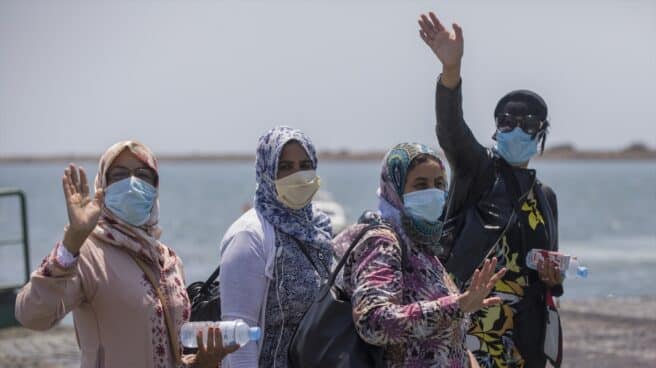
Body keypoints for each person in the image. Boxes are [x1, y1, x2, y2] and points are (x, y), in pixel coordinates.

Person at [418, 12, 563, 368]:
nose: (515, 129)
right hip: (469, 327)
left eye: (527, 123)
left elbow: (546, 276)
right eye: (506, 122)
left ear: (540, 134)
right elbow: (451, 130)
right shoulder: (479, 171)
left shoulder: (545, 198)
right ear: (496, 130)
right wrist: (451, 72)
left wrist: (553, 278)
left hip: (522, 338)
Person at [15, 140, 238, 368]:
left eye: (143, 175)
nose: (132, 183)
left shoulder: (168, 260)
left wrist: (202, 362)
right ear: (102, 185)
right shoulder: (88, 254)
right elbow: (32, 315)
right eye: (119, 175)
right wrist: (72, 240)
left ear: (155, 187)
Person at [332, 142, 506, 367]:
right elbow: (373, 322)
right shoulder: (383, 242)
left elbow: (447, 339)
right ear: (395, 189)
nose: (432, 193)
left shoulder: (422, 244)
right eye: (421, 185)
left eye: (439, 184)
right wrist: (457, 306)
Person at [219, 126, 333, 368]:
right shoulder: (249, 235)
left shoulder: (319, 228)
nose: (298, 175)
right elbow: (237, 335)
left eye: (305, 166)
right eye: (285, 167)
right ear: (266, 171)